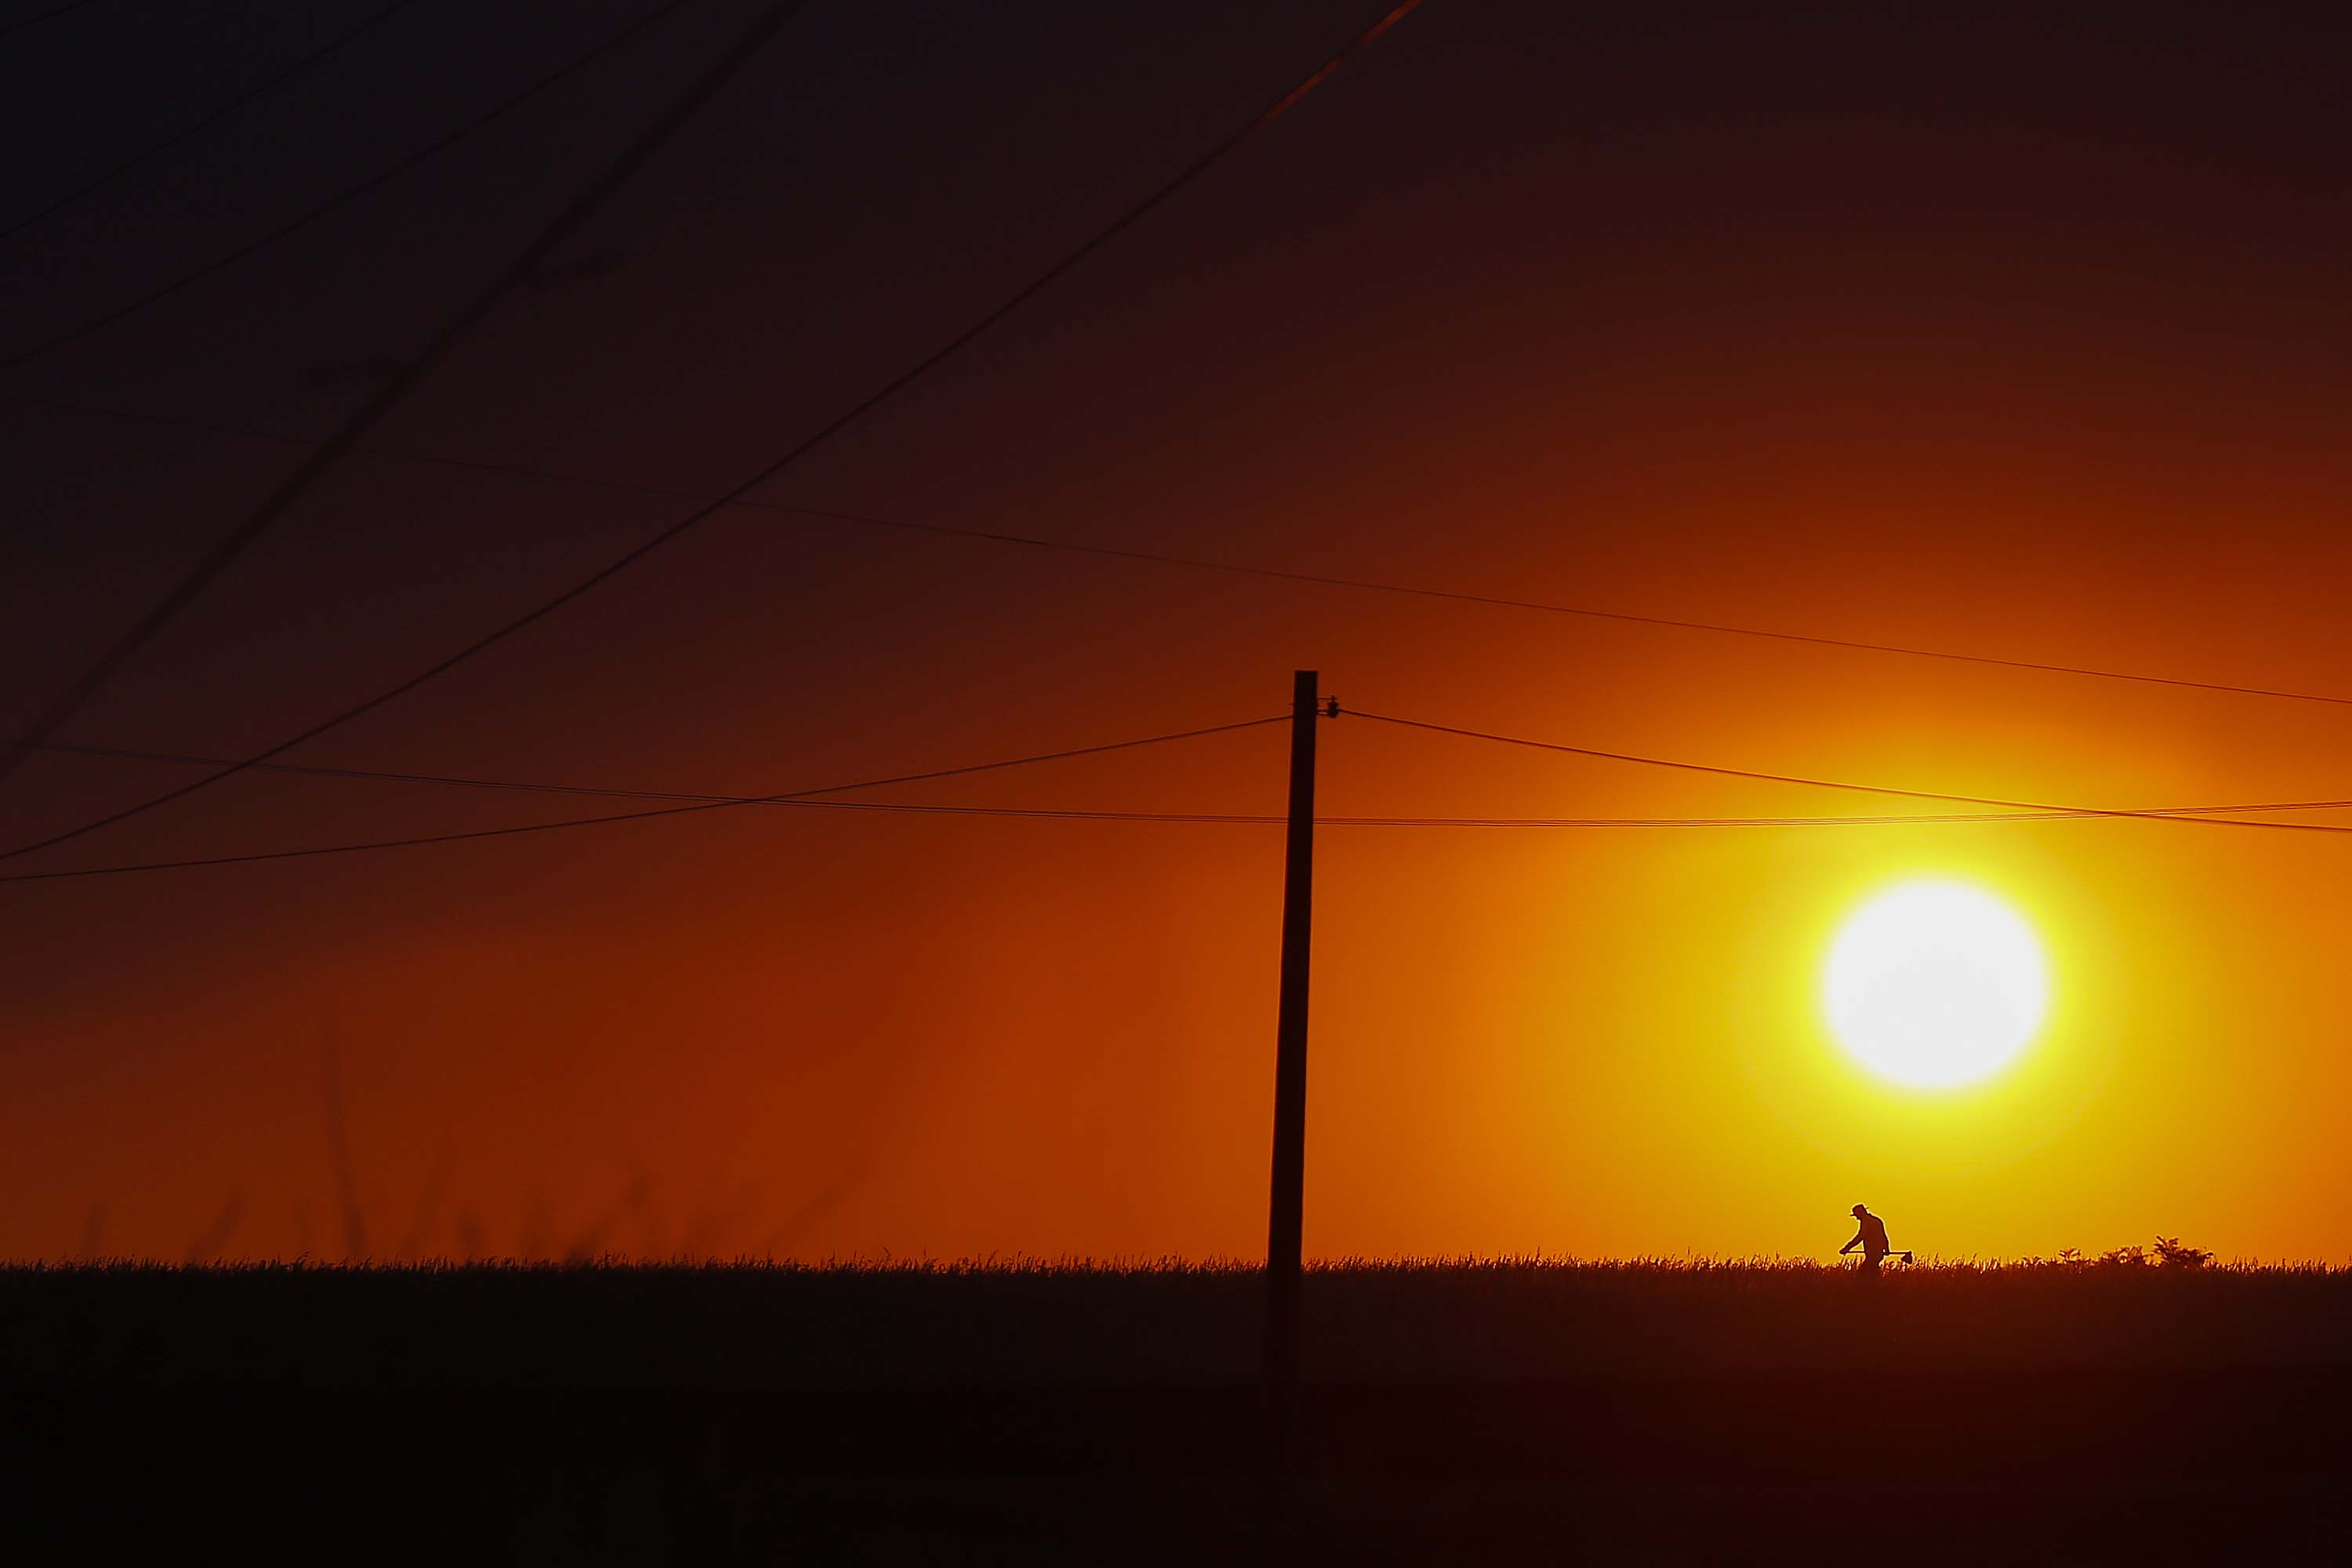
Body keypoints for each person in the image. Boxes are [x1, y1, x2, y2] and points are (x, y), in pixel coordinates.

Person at [1839, 1203, 1898, 1275]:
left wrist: (1847, 1248)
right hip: (1877, 1254)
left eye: (1857, 1215)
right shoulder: (1877, 1220)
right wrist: (1886, 1248)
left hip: (1873, 1254)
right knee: (1873, 1273)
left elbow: (1860, 1237)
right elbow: (1884, 1237)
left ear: (1860, 1213)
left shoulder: (1866, 1222)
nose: (1857, 1218)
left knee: (1862, 1275)